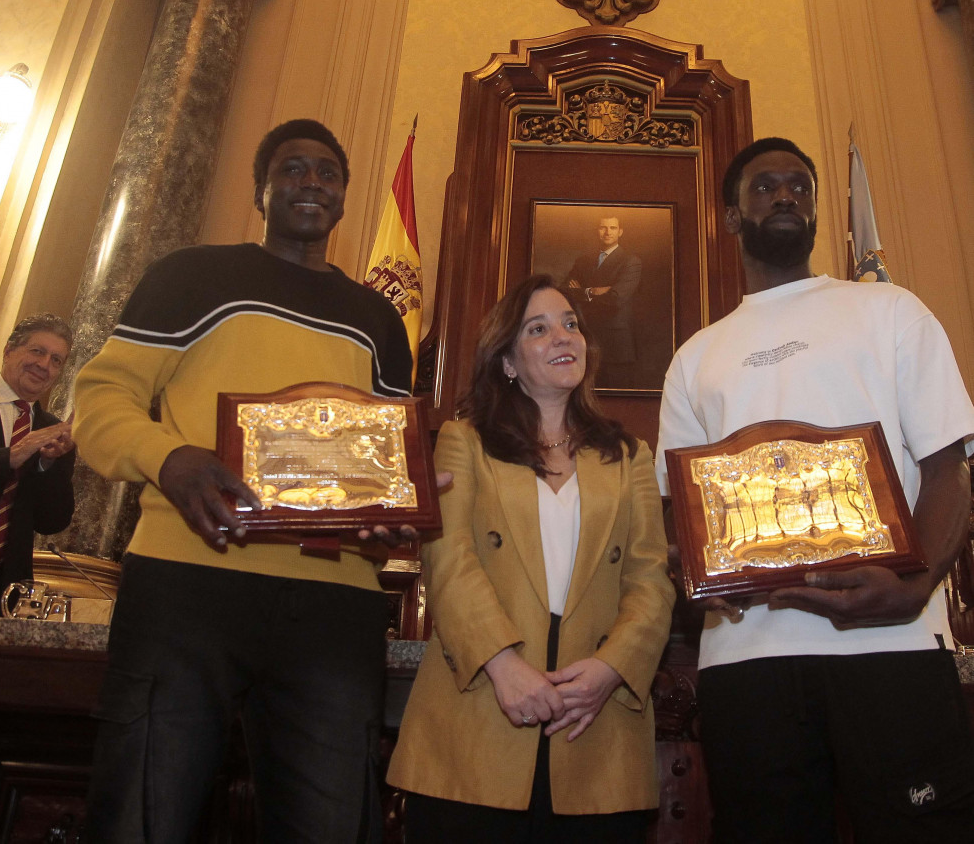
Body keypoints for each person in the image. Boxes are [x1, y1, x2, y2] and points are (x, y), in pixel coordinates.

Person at [74, 119, 414, 842]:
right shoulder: (189, 276)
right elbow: (100, 400)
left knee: (330, 825)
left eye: (327, 173)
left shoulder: (378, 320)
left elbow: (392, 457)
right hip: (185, 579)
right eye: (293, 168)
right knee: (140, 812)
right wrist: (169, 457)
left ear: (344, 198)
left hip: (335, 601)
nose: (311, 183)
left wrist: (391, 519)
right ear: (261, 189)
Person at [655, 137, 974, 843]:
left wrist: (913, 584)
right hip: (745, 660)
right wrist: (694, 566)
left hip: (890, 643)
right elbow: (683, 511)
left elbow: (951, 464)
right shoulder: (693, 357)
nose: (784, 195)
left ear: (816, 209)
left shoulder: (891, 310)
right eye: (764, 185)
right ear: (731, 216)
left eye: (798, 185)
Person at [388, 275, 675, 842]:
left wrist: (611, 668)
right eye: (538, 329)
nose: (562, 336)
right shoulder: (463, 441)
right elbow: (450, 559)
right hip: (479, 708)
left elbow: (650, 577)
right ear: (508, 362)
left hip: (592, 717)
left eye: (570, 324)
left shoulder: (629, 455)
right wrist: (503, 665)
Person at [0, 313, 75, 614]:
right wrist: (13, 455)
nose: (44, 366)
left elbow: (52, 522)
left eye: (56, 360)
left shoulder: (52, 431)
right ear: (8, 350)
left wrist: (46, 465)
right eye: (37, 351)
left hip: (5, 594)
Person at [563, 215, 642, 388]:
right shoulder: (583, 261)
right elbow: (565, 293)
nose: (607, 232)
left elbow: (615, 299)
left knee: (616, 400)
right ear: (597, 231)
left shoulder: (631, 262)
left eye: (612, 228)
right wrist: (592, 291)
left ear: (620, 232)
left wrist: (582, 293)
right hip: (586, 339)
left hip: (615, 344)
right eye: (603, 227)